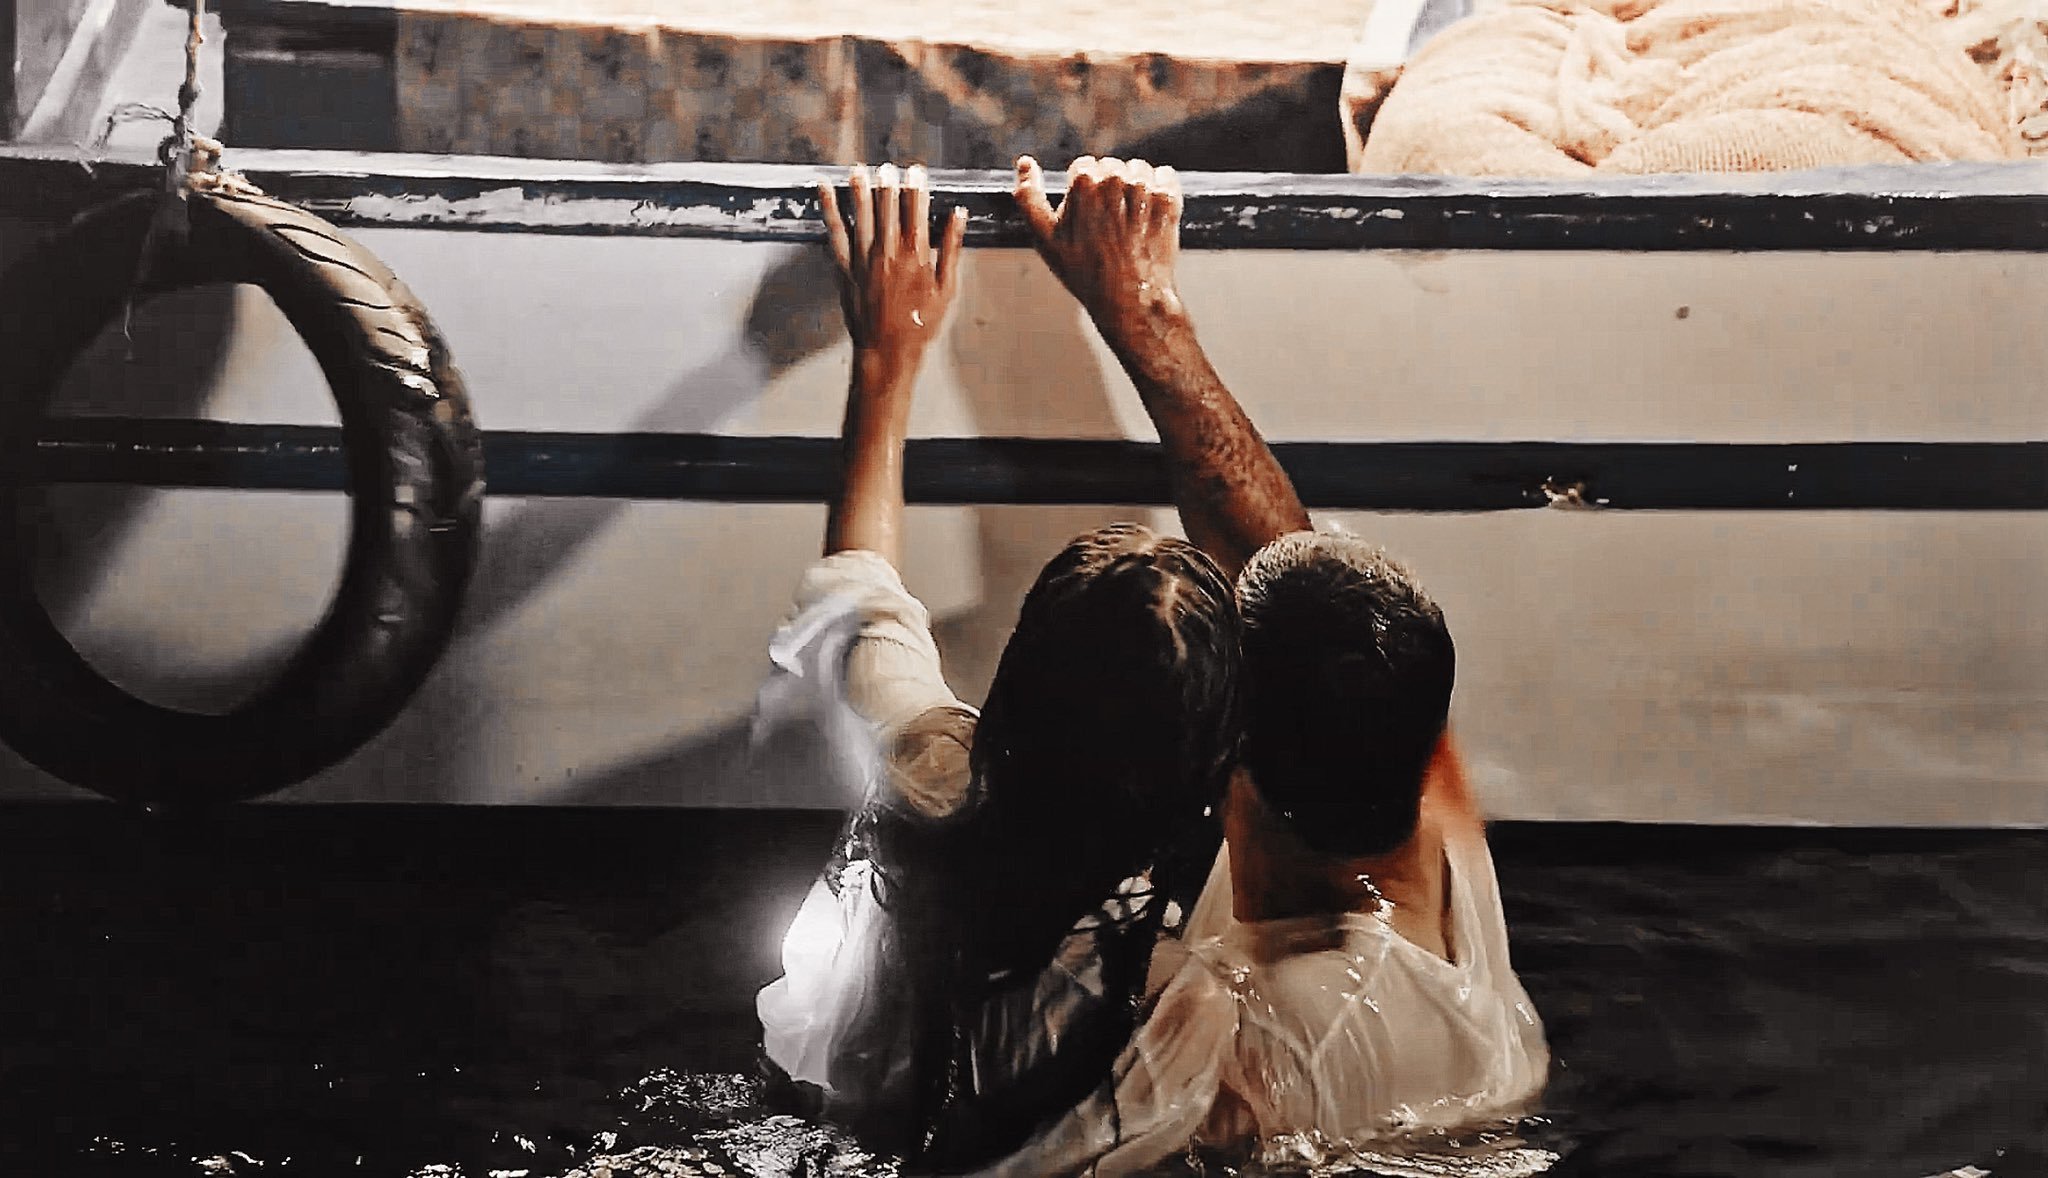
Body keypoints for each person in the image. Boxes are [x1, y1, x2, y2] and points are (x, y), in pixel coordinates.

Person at [964, 155, 1551, 1175]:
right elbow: (1279, 557)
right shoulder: (1441, 840)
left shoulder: (1246, 1044)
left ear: (1222, 753)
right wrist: (1144, 318)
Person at [751, 163, 1246, 1172]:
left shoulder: (919, 772)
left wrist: (886, 355)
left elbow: (860, 588)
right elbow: (1292, 590)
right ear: (1211, 762)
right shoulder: (1178, 991)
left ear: (1011, 675)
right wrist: (1145, 315)